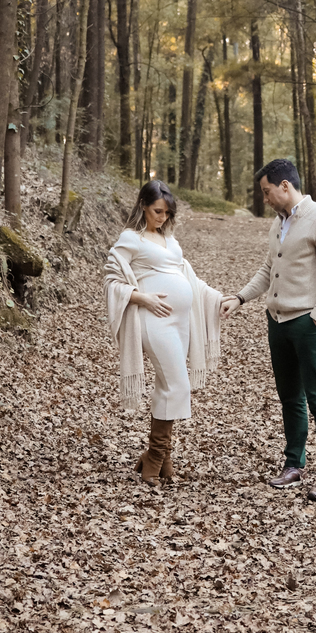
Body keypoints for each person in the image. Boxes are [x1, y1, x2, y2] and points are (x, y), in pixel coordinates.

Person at [221, 157, 316, 501]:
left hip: (309, 324)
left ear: (285, 186)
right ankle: (294, 463)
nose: (265, 198)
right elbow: (267, 269)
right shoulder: (278, 224)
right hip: (277, 323)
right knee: (290, 397)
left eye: (267, 191)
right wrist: (240, 298)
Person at [105, 179, 224, 487]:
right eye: (158, 211)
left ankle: (160, 458)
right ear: (143, 205)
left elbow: (187, 277)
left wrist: (217, 298)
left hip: (181, 322)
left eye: (167, 213)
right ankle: (156, 456)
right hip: (153, 320)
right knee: (177, 384)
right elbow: (111, 279)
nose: (162, 217)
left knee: (166, 386)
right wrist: (141, 297)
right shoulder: (131, 238)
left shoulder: (170, 241)